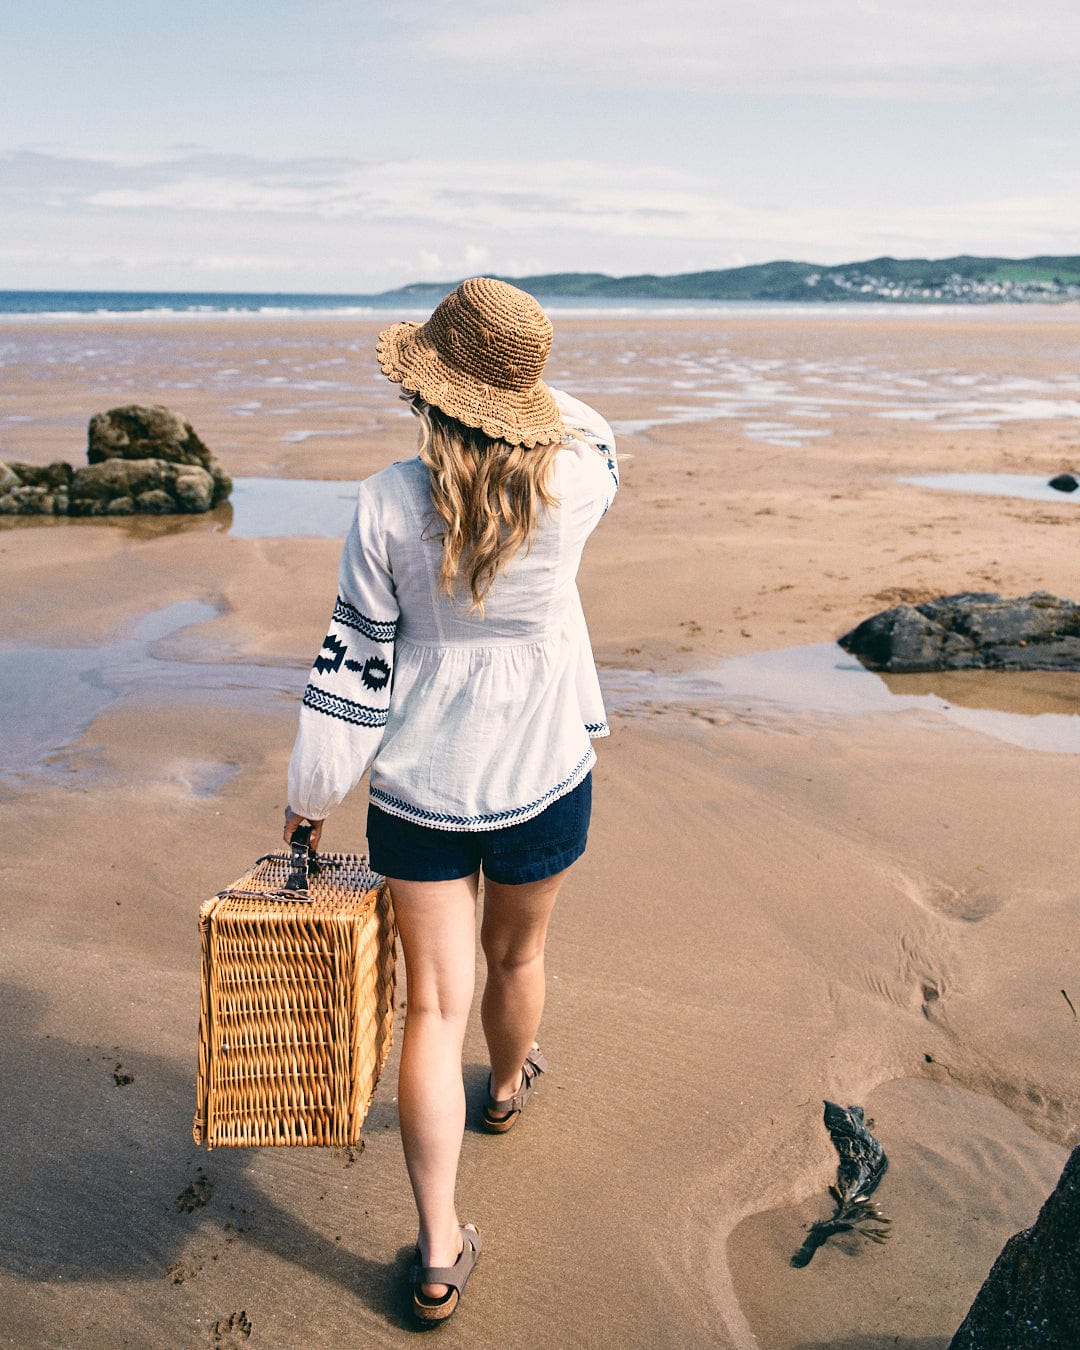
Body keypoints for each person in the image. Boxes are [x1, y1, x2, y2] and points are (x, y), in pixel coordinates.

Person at [282, 277, 618, 1323]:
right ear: (523, 393)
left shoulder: (385, 501)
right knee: (518, 955)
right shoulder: (580, 482)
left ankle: (438, 1248)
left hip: (421, 787)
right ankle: (509, 1089)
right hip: (543, 770)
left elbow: (355, 664)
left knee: (433, 1007)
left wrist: (310, 795)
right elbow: (592, 425)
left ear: (430, 388)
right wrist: (521, 395)